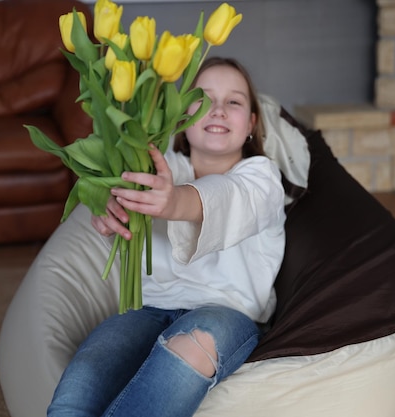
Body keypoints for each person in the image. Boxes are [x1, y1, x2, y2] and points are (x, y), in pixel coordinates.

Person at [46, 57, 287, 417]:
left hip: (225, 313)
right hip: (148, 310)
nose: (218, 110)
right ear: (181, 118)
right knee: (81, 383)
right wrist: (108, 204)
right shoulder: (162, 165)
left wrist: (174, 201)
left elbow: (226, 197)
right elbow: (118, 189)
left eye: (234, 102)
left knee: (193, 346)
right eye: (204, 100)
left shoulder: (262, 176)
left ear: (251, 123)